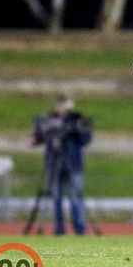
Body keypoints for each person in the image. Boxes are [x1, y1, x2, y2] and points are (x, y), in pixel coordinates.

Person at [29, 94, 93, 235]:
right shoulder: (49, 120)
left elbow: (85, 139)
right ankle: (59, 229)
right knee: (55, 196)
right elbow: (39, 137)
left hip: (72, 162)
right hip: (53, 162)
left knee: (75, 196)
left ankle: (80, 228)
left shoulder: (77, 119)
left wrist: (73, 131)